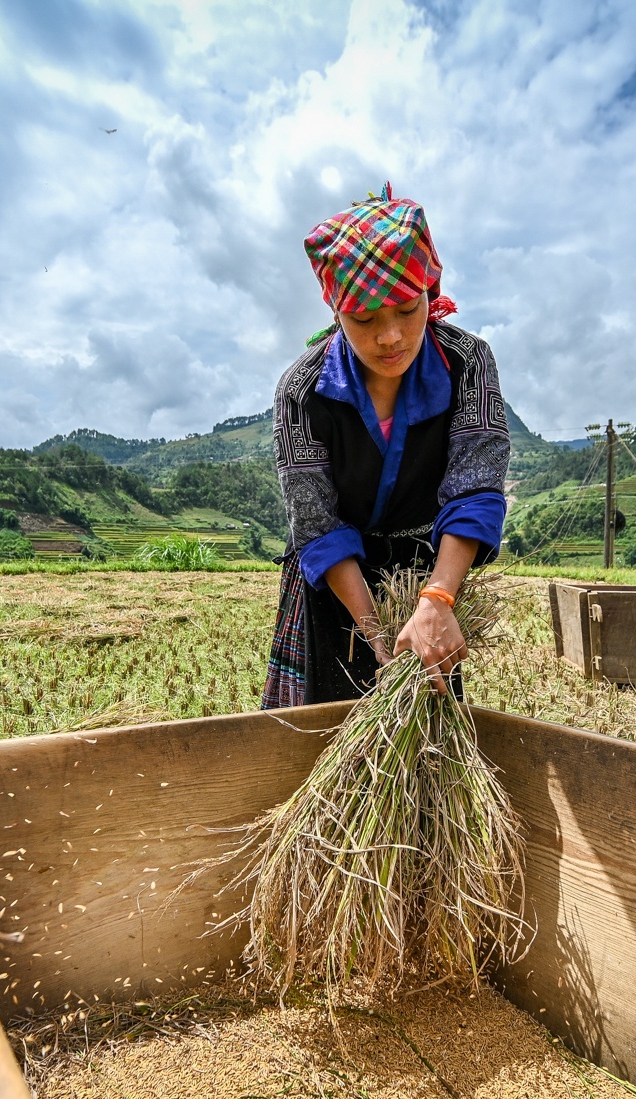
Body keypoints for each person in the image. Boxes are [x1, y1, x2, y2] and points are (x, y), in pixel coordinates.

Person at [261, 186, 510, 708]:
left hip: (428, 571)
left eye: (407, 308)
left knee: (430, 727)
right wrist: (376, 634)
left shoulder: (467, 363)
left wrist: (438, 600)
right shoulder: (302, 391)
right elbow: (318, 524)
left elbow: (475, 489)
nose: (391, 336)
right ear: (336, 314)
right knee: (330, 725)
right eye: (365, 319)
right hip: (337, 581)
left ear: (429, 291)